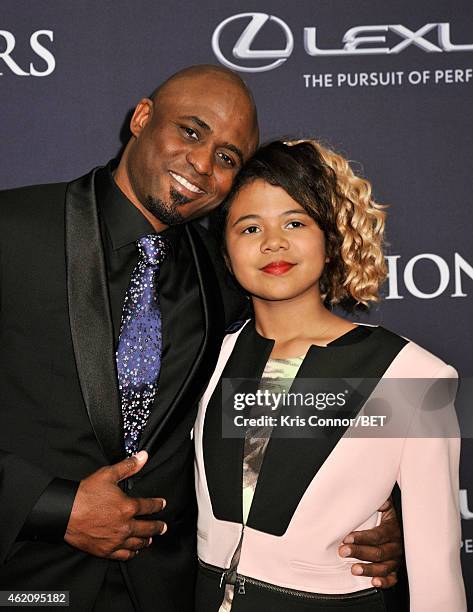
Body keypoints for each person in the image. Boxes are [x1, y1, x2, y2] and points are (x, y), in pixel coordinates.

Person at [0, 66, 401, 612]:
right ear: (142, 118)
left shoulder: (231, 272)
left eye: (229, 158)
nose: (203, 165)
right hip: (25, 577)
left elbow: (293, 401)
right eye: (191, 131)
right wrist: (50, 506)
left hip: (171, 591)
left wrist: (377, 511)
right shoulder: (14, 229)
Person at [193, 140, 466, 611]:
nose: (273, 242)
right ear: (226, 249)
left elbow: (437, 577)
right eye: (250, 227)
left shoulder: (413, 378)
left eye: (295, 222)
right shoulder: (211, 356)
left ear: (331, 237)